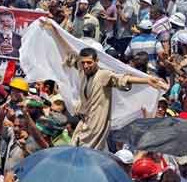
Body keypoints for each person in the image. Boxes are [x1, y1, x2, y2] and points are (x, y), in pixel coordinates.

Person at [40, 19, 166, 150]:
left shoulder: (103, 75)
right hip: (84, 122)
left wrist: (147, 80)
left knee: (85, 154)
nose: (86, 65)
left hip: (97, 125)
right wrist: (54, 31)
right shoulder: (83, 72)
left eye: (89, 62)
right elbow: (67, 50)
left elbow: (123, 78)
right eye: (83, 63)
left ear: (96, 61)